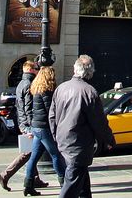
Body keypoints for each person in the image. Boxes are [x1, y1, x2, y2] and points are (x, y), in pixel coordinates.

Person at [49, 55, 115, 198]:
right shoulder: (89, 92)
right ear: (90, 72)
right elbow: (99, 122)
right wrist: (109, 139)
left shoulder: (61, 88)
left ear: (75, 69)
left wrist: (56, 136)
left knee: (83, 184)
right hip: (79, 145)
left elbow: (52, 116)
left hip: (64, 142)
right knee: (71, 187)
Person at [0, 61, 46, 191]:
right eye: (36, 68)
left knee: (32, 151)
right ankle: (5, 175)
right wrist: (31, 126)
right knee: (29, 152)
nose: (38, 70)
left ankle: (34, 179)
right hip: (29, 123)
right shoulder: (30, 84)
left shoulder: (20, 84)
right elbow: (29, 107)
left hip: (22, 121)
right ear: (31, 70)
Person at [22, 66, 66, 196]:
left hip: (37, 127)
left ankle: (28, 185)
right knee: (56, 155)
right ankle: (64, 183)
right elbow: (50, 111)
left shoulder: (36, 89)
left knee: (34, 157)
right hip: (44, 128)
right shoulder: (46, 91)